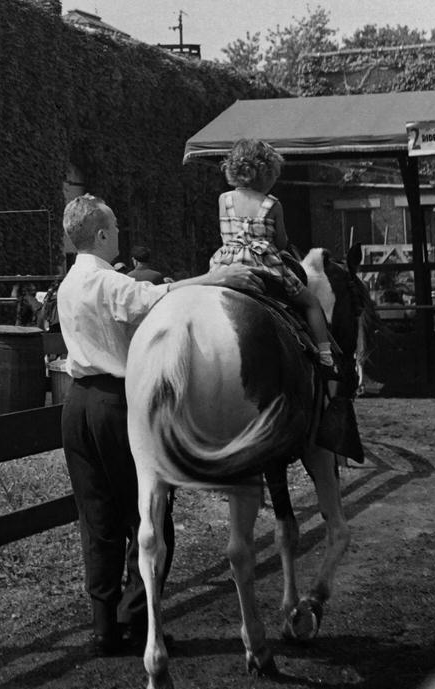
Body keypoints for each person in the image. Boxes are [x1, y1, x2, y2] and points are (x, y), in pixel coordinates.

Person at [59, 194, 255, 654]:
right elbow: (158, 296)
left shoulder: (68, 283)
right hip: (115, 400)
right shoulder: (105, 282)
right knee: (149, 515)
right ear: (103, 235)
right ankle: (136, 618)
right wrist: (216, 278)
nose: (120, 235)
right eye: (117, 228)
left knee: (97, 519)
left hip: (76, 404)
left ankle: (104, 627)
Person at [208, 139, 337, 381]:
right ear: (266, 173)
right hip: (264, 266)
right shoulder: (272, 204)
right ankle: (325, 355)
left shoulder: (223, 200)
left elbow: (225, 235)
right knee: (311, 303)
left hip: (227, 266)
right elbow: (280, 242)